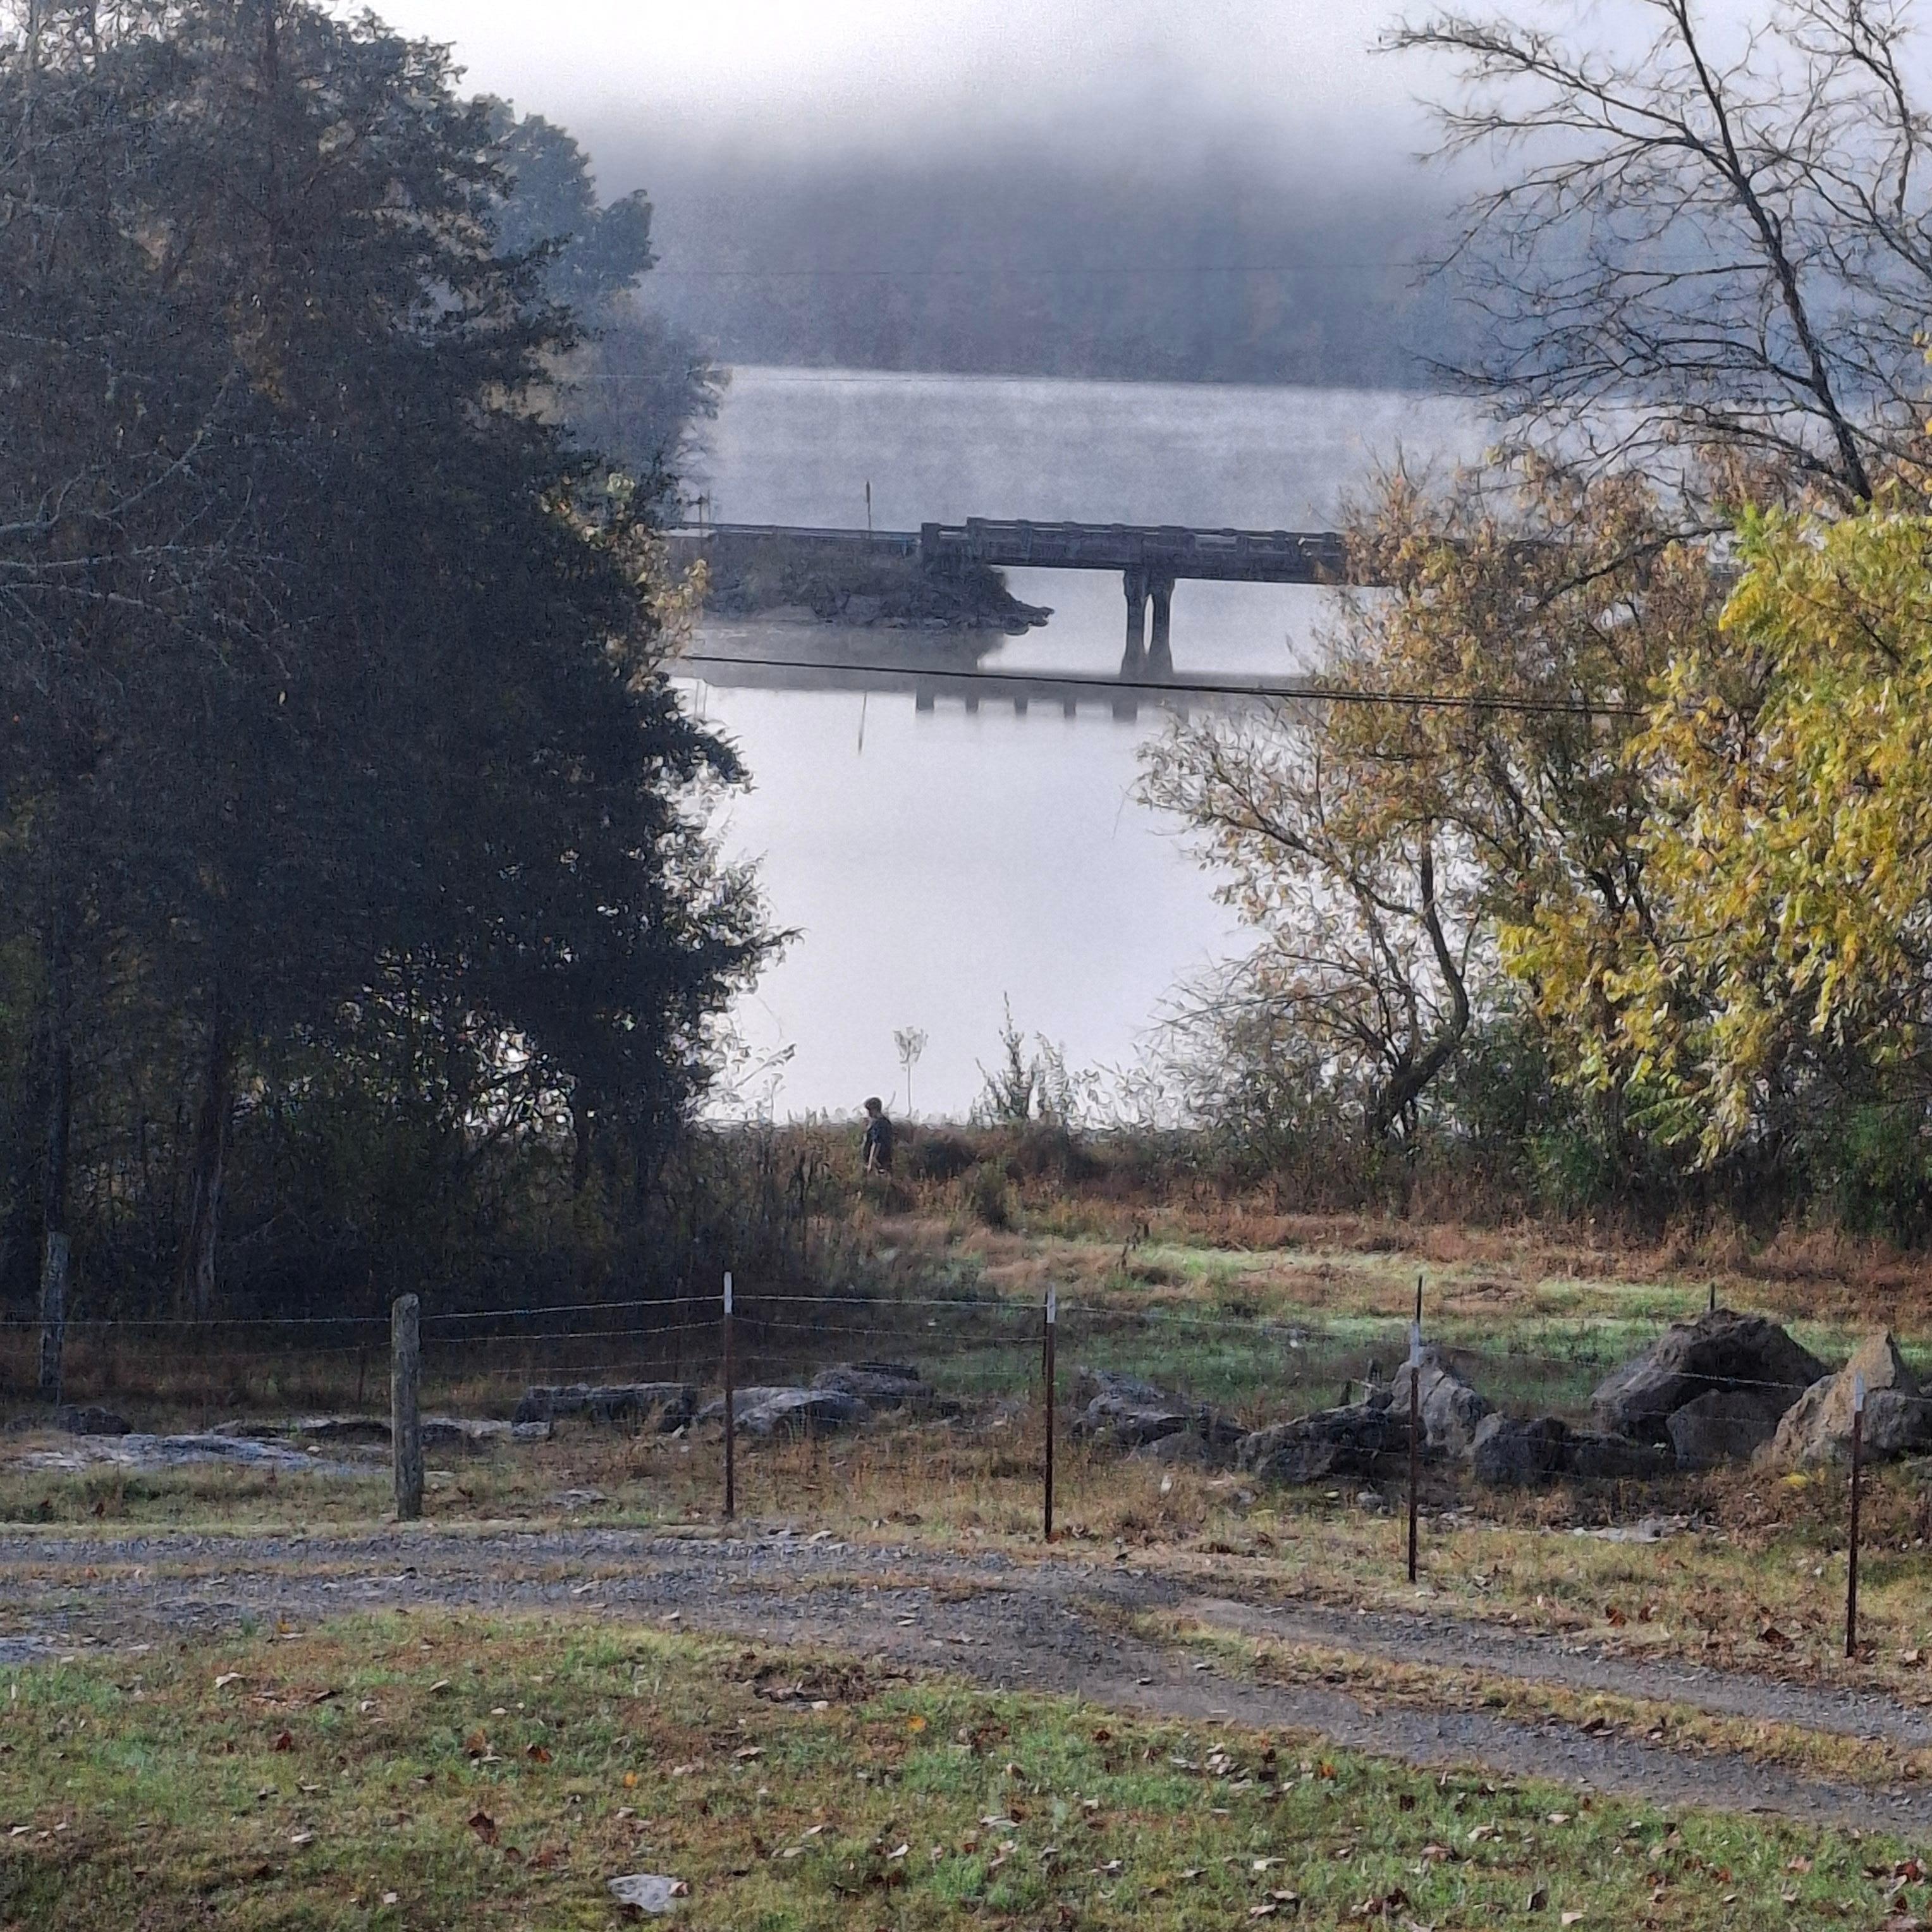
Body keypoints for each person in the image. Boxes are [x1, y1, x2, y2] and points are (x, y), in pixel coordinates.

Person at [860, 1096, 895, 1175]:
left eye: (870, 1110)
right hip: (883, 1162)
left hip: (879, 1163)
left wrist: (872, 1162)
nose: (868, 1113)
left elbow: (876, 1143)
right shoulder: (884, 1122)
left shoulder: (879, 1123)